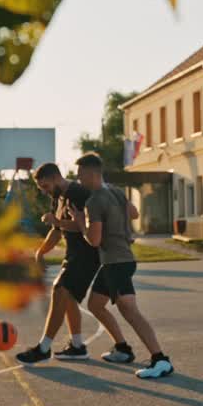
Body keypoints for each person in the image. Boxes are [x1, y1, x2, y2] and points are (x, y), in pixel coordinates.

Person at [16, 163, 133, 364]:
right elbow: (56, 230)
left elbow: (88, 225)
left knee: (60, 289)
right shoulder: (57, 197)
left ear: (55, 178)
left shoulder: (78, 193)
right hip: (73, 255)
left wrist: (58, 222)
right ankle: (78, 346)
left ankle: (43, 348)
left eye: (45, 186)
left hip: (89, 254)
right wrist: (40, 252)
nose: (44, 191)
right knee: (68, 298)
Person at [77, 153, 174, 379]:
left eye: (81, 176)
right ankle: (122, 349)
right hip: (119, 260)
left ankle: (160, 359)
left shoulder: (94, 201)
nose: (79, 180)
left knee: (130, 311)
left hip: (116, 262)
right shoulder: (116, 192)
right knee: (95, 304)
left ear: (92, 174)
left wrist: (81, 222)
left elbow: (94, 240)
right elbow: (134, 213)